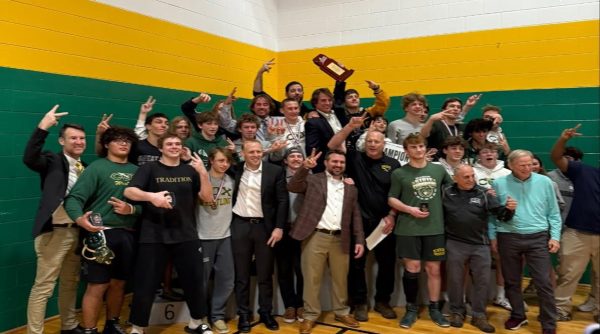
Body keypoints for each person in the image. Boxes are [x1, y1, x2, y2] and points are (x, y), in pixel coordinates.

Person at [124, 134, 213, 334]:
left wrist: (203, 173)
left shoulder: (190, 170)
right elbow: (129, 192)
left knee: (194, 281)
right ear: (161, 148)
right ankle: (137, 328)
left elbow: (207, 198)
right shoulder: (149, 168)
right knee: (146, 284)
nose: (174, 147)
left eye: (177, 144)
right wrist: (151, 196)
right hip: (153, 235)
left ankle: (196, 323)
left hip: (186, 234)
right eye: (169, 144)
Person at [64, 126, 140, 334]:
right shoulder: (97, 168)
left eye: (127, 140)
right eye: (117, 140)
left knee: (119, 284)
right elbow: (74, 199)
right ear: (107, 144)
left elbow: (148, 205)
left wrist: (131, 208)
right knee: (98, 285)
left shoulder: (138, 171)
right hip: (101, 235)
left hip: (127, 234)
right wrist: (80, 220)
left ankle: (112, 324)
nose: (123, 143)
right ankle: (89, 329)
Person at [328, 117, 401, 321]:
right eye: (369, 141)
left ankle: (382, 302)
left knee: (387, 265)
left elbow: (397, 194)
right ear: (364, 142)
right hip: (358, 223)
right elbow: (333, 145)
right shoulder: (354, 158)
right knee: (356, 265)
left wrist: (392, 216)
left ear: (383, 143)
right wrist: (351, 126)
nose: (372, 144)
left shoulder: (393, 164)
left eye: (376, 141)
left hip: (385, 223)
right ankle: (359, 303)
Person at [23, 105, 86, 334]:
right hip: (54, 232)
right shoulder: (51, 161)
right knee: (44, 288)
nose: (78, 142)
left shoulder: (85, 168)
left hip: (77, 233)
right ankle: (34, 332)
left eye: (81, 138)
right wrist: (43, 126)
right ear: (62, 141)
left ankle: (68, 325)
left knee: (70, 283)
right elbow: (29, 158)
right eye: (73, 138)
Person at [288, 149, 365, 334]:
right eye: (334, 161)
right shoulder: (314, 180)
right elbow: (293, 186)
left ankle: (341, 311)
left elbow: (356, 216)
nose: (338, 165)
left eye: (341, 162)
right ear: (326, 163)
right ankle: (309, 315)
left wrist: (360, 240)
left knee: (340, 279)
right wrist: (305, 168)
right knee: (312, 279)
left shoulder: (350, 187)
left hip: (341, 238)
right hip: (315, 236)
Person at [489, 149, 562, 334]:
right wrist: (493, 236)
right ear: (510, 165)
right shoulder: (498, 183)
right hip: (508, 237)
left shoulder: (545, 182)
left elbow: (554, 213)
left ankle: (549, 323)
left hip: (538, 237)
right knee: (512, 281)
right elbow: (493, 215)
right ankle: (518, 315)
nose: (528, 168)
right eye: (522, 165)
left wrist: (555, 236)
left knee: (543, 282)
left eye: (530, 164)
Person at [387, 133, 453, 329]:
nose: (418, 150)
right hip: (408, 228)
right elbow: (391, 198)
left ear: (425, 148)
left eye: (421, 146)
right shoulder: (399, 173)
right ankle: (411, 308)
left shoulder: (438, 170)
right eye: (414, 147)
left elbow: (453, 191)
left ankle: (434, 308)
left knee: (433, 269)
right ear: (406, 151)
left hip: (435, 228)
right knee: (412, 269)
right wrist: (409, 210)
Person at [442, 164, 516, 333]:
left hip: (480, 245)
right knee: (454, 280)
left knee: (481, 282)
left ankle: (479, 315)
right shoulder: (446, 192)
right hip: (454, 243)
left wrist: (510, 210)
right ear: (455, 178)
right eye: (466, 177)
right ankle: (456, 312)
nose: (471, 180)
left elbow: (501, 215)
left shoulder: (484, 192)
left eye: (472, 176)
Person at [230, 140, 288, 333]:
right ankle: (244, 314)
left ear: (263, 152)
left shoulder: (274, 171)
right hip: (240, 225)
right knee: (242, 275)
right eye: (251, 152)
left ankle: (266, 312)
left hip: (265, 228)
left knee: (265, 274)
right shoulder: (236, 169)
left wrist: (279, 227)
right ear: (243, 154)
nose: (255, 155)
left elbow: (282, 201)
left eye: (258, 151)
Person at [550, 125, 600, 323]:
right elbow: (556, 157)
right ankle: (560, 309)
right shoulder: (583, 170)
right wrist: (563, 139)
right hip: (577, 233)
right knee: (568, 275)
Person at [196, 148, 236, 334]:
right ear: (211, 161)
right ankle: (201, 316)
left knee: (227, 280)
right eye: (220, 160)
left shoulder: (231, 180)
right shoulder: (200, 180)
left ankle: (217, 315)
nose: (224, 164)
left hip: (225, 236)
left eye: (227, 161)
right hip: (203, 236)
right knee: (201, 281)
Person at [472, 142, 513, 310]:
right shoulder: (472, 171)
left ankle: (501, 296)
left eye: (493, 151)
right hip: (477, 220)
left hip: (502, 221)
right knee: (477, 260)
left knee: (502, 259)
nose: (489, 154)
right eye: (485, 151)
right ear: (478, 155)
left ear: (498, 154)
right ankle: (473, 297)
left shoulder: (507, 173)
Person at [276, 147, 306, 324]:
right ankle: (289, 306)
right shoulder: (277, 177)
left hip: (303, 230)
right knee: (284, 269)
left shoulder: (310, 177)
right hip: (282, 229)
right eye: (292, 156)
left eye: (299, 156)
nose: (295, 158)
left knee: (301, 270)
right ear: (285, 160)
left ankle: (301, 305)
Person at [304, 88, 348, 172]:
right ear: (315, 103)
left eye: (330, 100)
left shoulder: (339, 114)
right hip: (328, 166)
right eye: (323, 100)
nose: (327, 103)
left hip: (346, 162)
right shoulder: (313, 122)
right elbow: (313, 150)